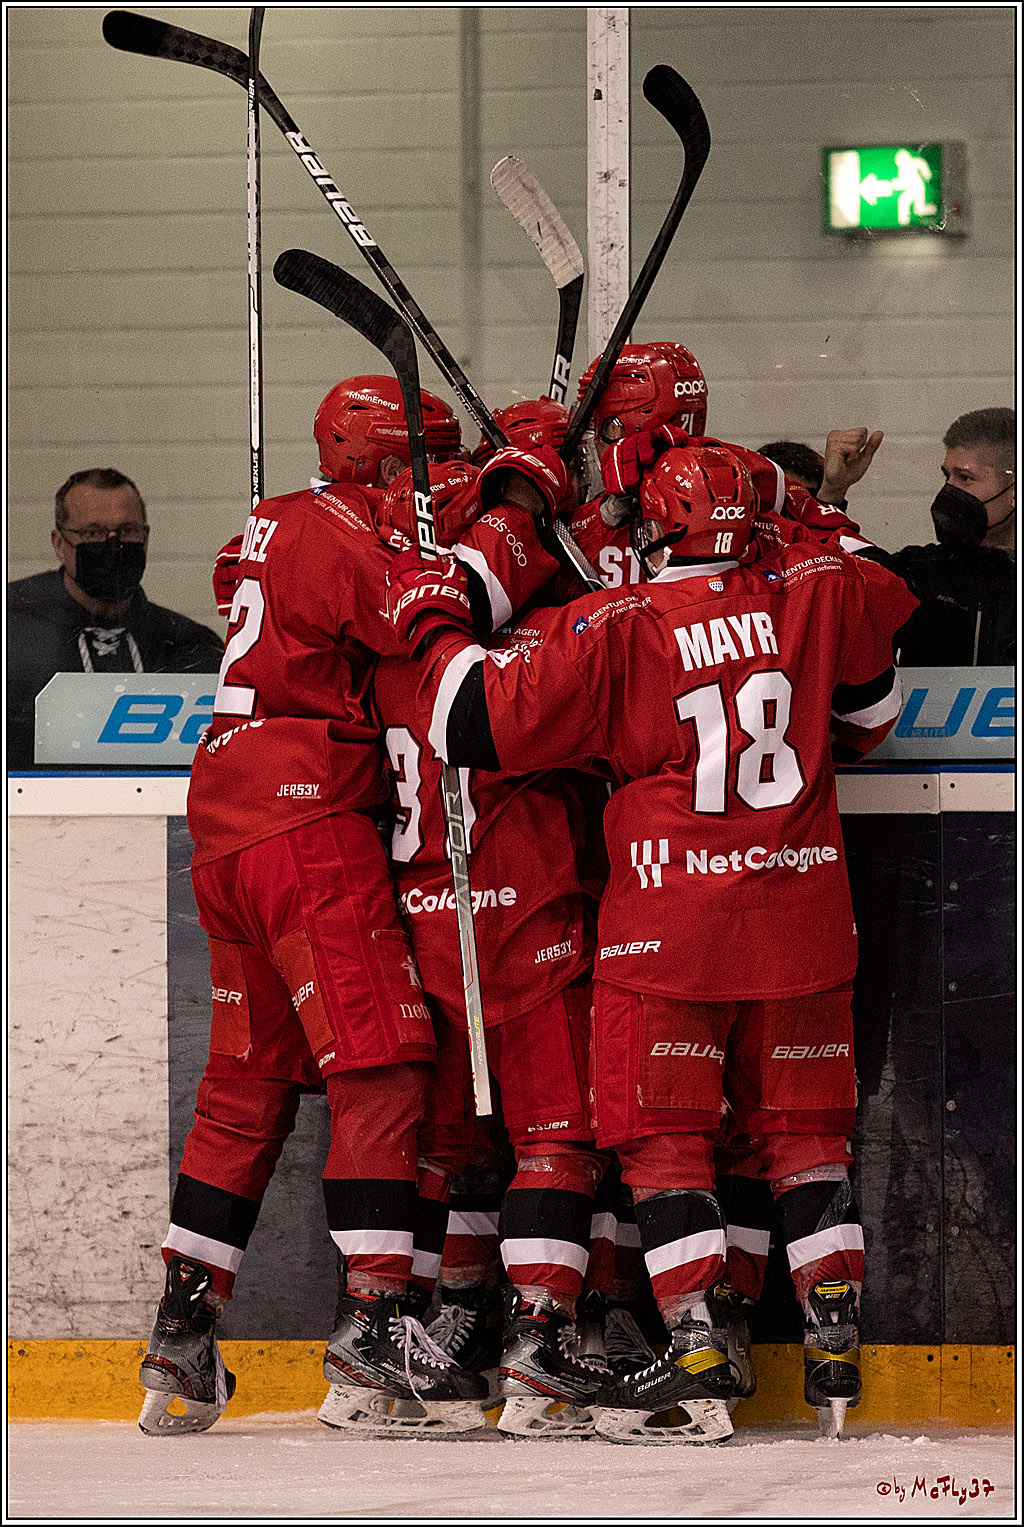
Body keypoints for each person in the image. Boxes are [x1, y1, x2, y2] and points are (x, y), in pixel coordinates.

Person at [386, 441, 918, 1444]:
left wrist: (431, 607)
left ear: (651, 526)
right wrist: (806, 512)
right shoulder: (813, 584)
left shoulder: (618, 623)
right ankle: (831, 1340)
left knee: (665, 1147)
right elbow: (874, 712)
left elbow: (466, 722)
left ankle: (696, 1347)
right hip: (803, 922)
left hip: (668, 932)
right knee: (805, 1142)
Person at [139, 377, 566, 1437]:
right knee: (382, 1065)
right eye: (428, 457)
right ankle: (376, 1336)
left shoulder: (275, 524)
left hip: (228, 816)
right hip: (304, 822)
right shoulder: (341, 534)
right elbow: (443, 613)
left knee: (245, 1086)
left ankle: (183, 1337)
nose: (440, 474)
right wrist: (517, 500)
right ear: (382, 462)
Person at [6, 468, 224, 769]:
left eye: (127, 531)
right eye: (93, 533)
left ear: (144, 538)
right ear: (59, 544)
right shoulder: (12, 629)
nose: (113, 544)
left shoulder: (188, 645)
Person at [859, 407, 1015, 664]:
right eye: (947, 476)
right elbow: (830, 589)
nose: (949, 490)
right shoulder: (919, 572)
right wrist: (832, 494)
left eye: (965, 477)